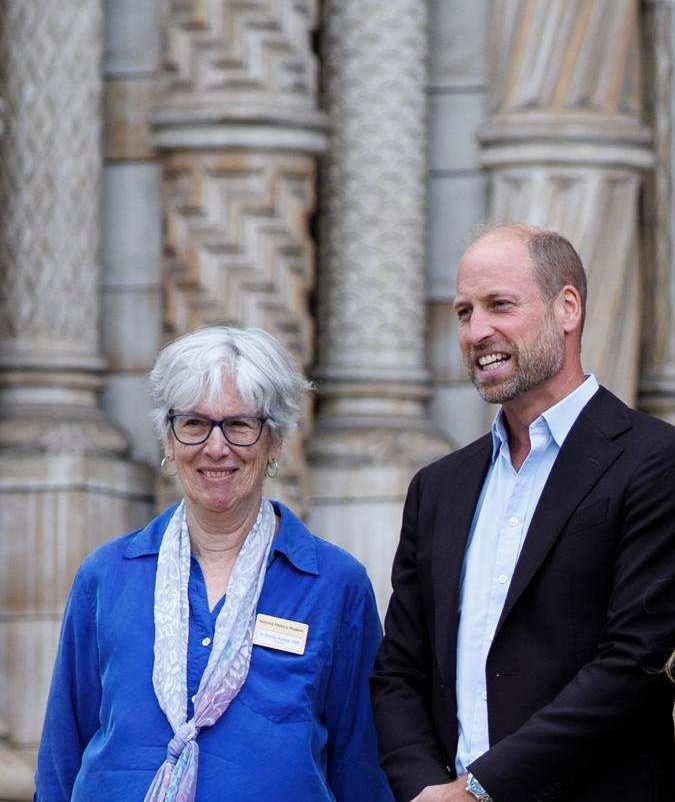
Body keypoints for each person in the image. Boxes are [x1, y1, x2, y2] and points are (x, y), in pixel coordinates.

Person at [371, 224, 675, 802]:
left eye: (499, 305)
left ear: (567, 308)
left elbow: (634, 666)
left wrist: (479, 790)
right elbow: (399, 673)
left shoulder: (654, 462)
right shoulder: (438, 488)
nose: (476, 331)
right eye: (463, 312)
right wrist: (424, 790)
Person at [35, 326, 394, 802]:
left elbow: (361, 768)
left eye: (241, 425)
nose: (216, 447)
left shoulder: (334, 584)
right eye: (194, 423)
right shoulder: (106, 576)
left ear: (275, 443)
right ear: (168, 439)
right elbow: (62, 756)